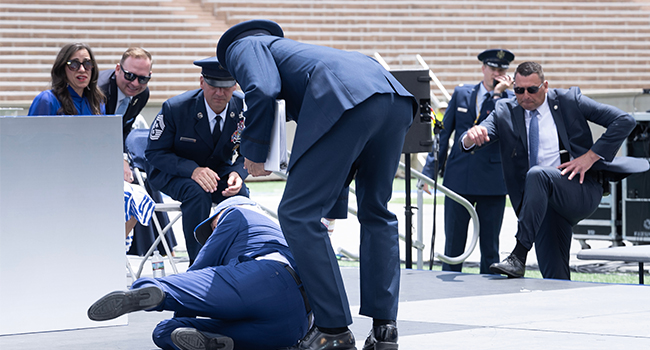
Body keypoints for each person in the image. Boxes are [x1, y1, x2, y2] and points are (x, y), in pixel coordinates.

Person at [217, 19, 417, 350]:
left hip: (346, 100)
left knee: (297, 213)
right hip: (394, 97)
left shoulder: (244, 46)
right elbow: (338, 153)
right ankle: (385, 328)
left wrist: (252, 152)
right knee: (376, 212)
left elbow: (262, 90)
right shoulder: (298, 53)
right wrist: (332, 206)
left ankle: (332, 328)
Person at [462, 61, 639, 280]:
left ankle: (518, 255)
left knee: (538, 174)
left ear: (545, 86)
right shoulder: (505, 110)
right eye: (518, 90)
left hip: (579, 190)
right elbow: (478, 133)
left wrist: (590, 157)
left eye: (532, 89)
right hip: (540, 204)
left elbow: (624, 120)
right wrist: (471, 136)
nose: (525, 95)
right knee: (554, 276)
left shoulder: (568, 101)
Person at [88, 196, 310, 350]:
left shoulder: (237, 213)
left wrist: (180, 303)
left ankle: (151, 290)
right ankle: (220, 343)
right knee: (165, 332)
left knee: (170, 290)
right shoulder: (283, 232)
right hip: (295, 325)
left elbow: (200, 269)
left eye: (212, 226)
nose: (213, 231)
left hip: (264, 278)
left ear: (220, 216)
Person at [145, 57, 249, 265]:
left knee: (241, 193)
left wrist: (238, 173)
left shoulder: (243, 108)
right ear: (202, 82)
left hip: (216, 169)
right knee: (197, 193)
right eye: (213, 85)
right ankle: (200, 263)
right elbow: (155, 153)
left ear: (235, 85)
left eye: (226, 86)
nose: (219, 93)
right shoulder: (175, 108)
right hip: (173, 171)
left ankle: (237, 258)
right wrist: (192, 170)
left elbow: (249, 151)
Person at [421, 49, 514, 274]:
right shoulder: (462, 93)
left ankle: (487, 292)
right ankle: (447, 291)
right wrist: (430, 171)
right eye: (493, 69)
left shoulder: (511, 100)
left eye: (502, 70)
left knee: (490, 247)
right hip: (459, 178)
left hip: (492, 181)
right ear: (483, 69)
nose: (497, 74)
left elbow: (489, 128)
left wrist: (497, 96)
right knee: (453, 243)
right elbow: (444, 135)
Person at [98, 47, 153, 183]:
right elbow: (97, 133)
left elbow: (124, 128)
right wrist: (120, 159)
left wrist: (123, 158)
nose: (135, 83)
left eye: (143, 79)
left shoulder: (142, 94)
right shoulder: (99, 90)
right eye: (130, 75)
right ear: (118, 69)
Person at [28, 42, 104, 116]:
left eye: (87, 63)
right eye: (74, 64)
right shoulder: (47, 100)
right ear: (62, 69)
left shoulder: (97, 103)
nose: (82, 69)